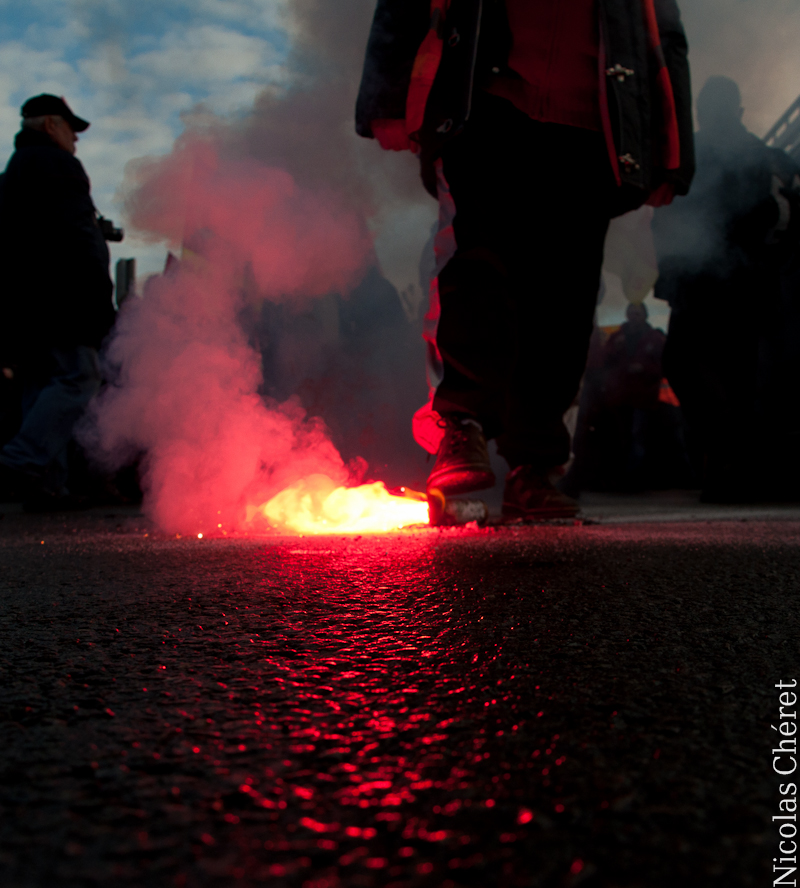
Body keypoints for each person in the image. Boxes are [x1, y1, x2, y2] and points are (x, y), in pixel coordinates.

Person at [355, 0, 694, 518]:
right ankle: (459, 423)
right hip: (482, 103)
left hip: (591, 125)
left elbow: (661, 30)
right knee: (474, 266)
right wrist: (386, 93)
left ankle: (535, 461)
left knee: (565, 297)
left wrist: (672, 149)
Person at [652, 76, 800, 501]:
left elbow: (779, 216)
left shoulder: (757, 158)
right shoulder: (700, 156)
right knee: (704, 369)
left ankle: (733, 468)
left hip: (735, 282)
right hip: (709, 282)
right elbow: (671, 217)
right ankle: (728, 465)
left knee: (728, 375)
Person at [0, 94, 116, 508]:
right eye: (71, 129)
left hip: (28, 303)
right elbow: (75, 240)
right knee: (78, 376)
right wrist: (100, 299)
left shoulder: (19, 168)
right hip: (61, 299)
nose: (75, 141)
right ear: (51, 125)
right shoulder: (56, 164)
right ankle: (18, 463)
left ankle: (47, 485)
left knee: (41, 383)